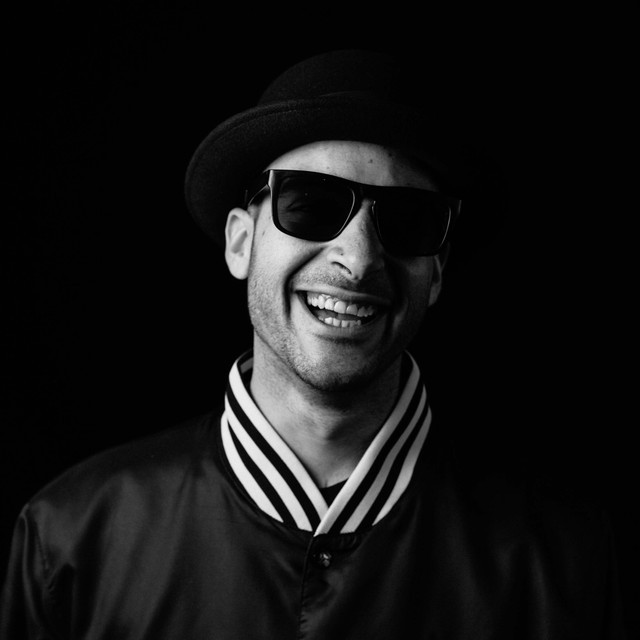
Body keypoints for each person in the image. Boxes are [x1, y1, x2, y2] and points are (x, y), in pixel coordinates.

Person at [0, 49, 627, 639]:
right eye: (311, 204)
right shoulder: (70, 540)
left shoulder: (567, 560)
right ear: (240, 242)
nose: (359, 259)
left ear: (436, 271)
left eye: (407, 220)